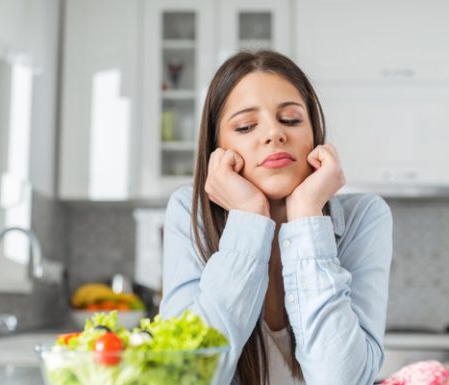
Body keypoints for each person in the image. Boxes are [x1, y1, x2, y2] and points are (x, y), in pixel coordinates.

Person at [160, 50, 393, 385]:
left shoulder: (365, 217)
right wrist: (249, 218)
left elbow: (340, 379)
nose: (273, 134)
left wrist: (307, 218)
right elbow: (185, 378)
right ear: (218, 149)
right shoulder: (189, 212)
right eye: (246, 126)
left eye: (291, 120)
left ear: (314, 133)